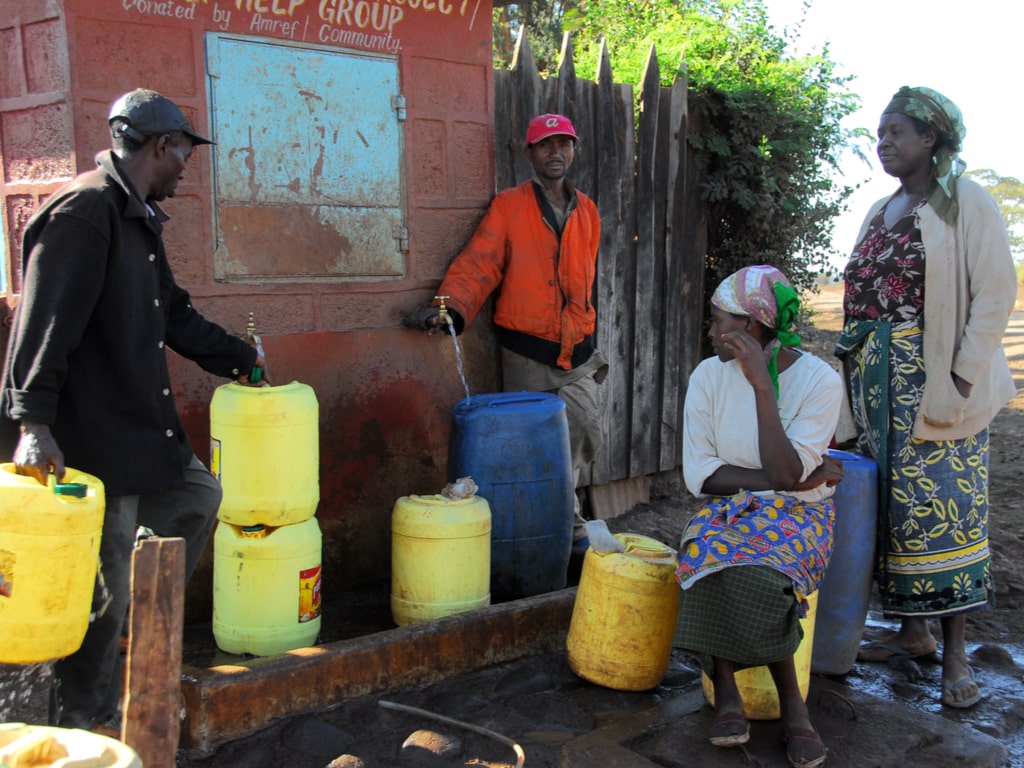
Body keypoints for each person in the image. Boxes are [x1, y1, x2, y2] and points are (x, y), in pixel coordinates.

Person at [0, 88, 266, 730]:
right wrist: (33, 426)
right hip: (93, 437)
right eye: (184, 154)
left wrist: (240, 358)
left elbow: (170, 311)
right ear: (160, 145)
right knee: (106, 587)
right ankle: (85, 719)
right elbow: (41, 324)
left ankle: (138, 647)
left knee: (198, 498)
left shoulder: (137, 216)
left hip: (143, 428)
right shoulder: (85, 213)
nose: (186, 167)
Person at [837, 86, 1017, 709]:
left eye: (895, 133)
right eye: (879, 135)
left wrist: (962, 380)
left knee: (945, 510)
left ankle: (956, 654)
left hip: (936, 383)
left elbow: (995, 292)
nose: (883, 144)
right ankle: (913, 633)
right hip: (873, 381)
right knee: (886, 507)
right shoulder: (880, 210)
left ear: (930, 138)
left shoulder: (965, 202)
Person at [409, 113, 607, 548]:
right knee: (537, 447)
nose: (556, 152)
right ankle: (564, 535)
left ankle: (564, 524)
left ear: (574, 151)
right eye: (545, 145)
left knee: (584, 430)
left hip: (576, 348)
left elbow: (586, 278)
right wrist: (451, 307)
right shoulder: (510, 205)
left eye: (564, 144)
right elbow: (479, 264)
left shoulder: (587, 210)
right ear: (530, 153)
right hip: (526, 351)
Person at [675, 265, 843, 768]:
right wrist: (790, 479)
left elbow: (789, 471)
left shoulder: (818, 381)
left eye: (717, 321)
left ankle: (793, 706)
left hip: (800, 517)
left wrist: (761, 387)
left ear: (749, 329)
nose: (710, 332)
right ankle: (727, 692)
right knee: (703, 551)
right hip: (729, 509)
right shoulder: (706, 377)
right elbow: (700, 477)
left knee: (763, 569)